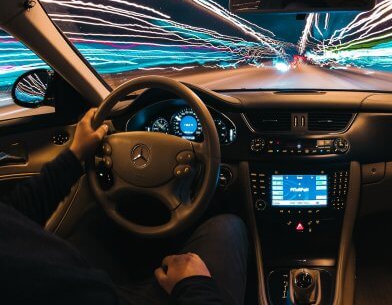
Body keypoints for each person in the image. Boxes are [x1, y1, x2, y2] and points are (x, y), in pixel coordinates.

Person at [0, 108, 248, 305]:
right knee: (228, 225)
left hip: (76, 281)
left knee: (99, 218)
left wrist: (76, 153)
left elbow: (14, 214)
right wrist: (195, 286)